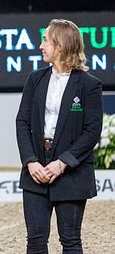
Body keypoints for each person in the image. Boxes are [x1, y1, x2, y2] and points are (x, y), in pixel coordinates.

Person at [15, 19, 102, 254]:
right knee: (35, 241)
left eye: (45, 40)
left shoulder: (89, 85)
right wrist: (30, 161)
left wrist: (63, 162)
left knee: (70, 240)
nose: (41, 45)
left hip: (71, 173)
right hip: (36, 170)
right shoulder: (35, 79)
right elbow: (22, 122)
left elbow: (92, 131)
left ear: (61, 45)